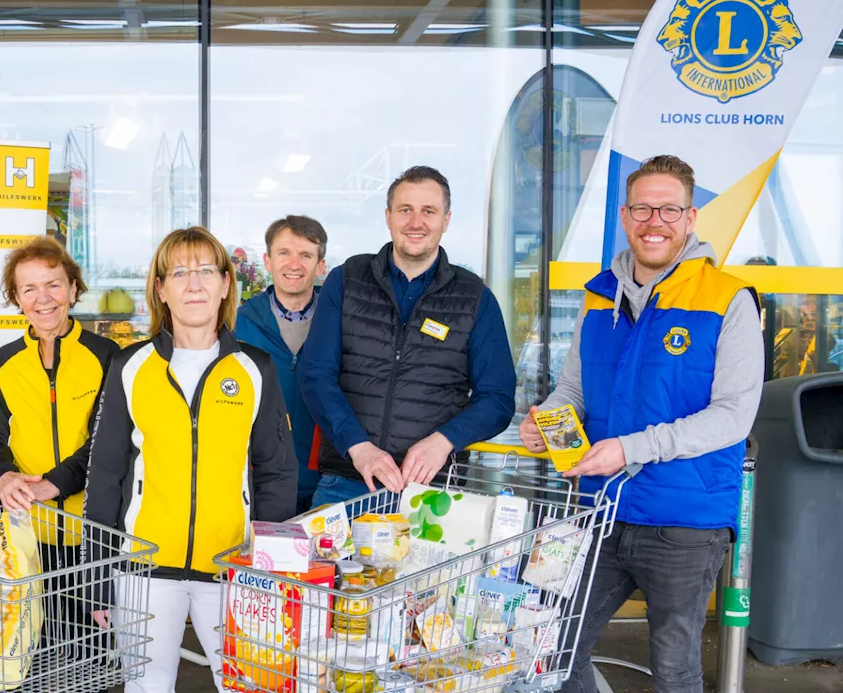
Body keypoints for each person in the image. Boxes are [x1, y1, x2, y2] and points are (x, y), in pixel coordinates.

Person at [518, 155, 764, 693]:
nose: (656, 221)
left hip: (685, 522)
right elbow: (576, 388)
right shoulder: (599, 296)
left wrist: (630, 449)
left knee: (674, 670)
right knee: (554, 648)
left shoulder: (728, 300)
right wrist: (549, 422)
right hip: (600, 510)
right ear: (625, 217)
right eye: (643, 209)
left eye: (669, 209)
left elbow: (732, 416)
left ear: (691, 217)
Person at [84, 226, 296, 693]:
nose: (194, 282)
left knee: (248, 686)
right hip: (142, 569)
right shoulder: (130, 366)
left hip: (232, 568)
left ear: (225, 284)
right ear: (161, 288)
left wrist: (270, 572)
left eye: (205, 271)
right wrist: (98, 578)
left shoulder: (254, 367)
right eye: (179, 272)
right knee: (146, 686)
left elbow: (278, 473)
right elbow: (104, 475)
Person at [300, 165, 515, 507]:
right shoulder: (346, 281)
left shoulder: (475, 298)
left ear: (446, 220)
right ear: (388, 217)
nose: (416, 222)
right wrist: (358, 446)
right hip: (347, 483)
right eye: (405, 210)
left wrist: (444, 441)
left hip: (433, 494)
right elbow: (316, 375)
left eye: (428, 211)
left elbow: (498, 398)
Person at [0, 236, 119, 654]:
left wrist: (54, 484)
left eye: (54, 285)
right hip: (26, 542)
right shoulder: (5, 362)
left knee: (90, 659)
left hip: (93, 539)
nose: (44, 299)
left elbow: (110, 444)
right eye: (29, 289)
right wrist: (3, 477)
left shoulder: (107, 356)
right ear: (16, 299)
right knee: (30, 657)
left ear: (73, 289)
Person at [234, 215, 329, 514]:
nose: (294, 264)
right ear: (267, 260)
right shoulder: (238, 324)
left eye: (306, 255)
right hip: (260, 483)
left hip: (326, 483)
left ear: (320, 265)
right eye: (284, 253)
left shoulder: (339, 324)